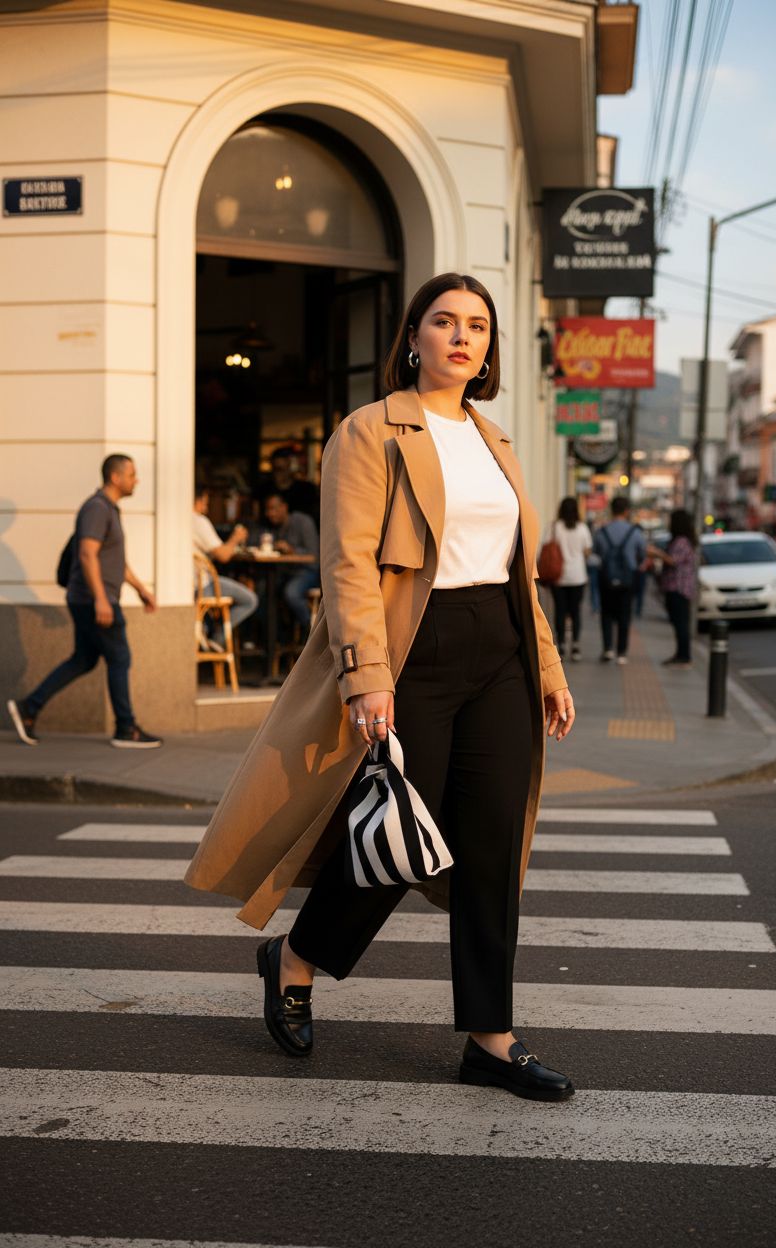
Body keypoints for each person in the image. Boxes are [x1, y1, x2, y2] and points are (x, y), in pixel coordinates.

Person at [185, 273, 577, 1103]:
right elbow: (348, 564)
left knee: (493, 849)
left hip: (500, 652)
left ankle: (491, 1040)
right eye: (445, 321)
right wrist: (367, 674)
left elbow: (518, 575)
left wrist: (547, 669)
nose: (462, 337)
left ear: (489, 348)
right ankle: (296, 957)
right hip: (414, 650)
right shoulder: (371, 430)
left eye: (477, 326)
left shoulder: (495, 439)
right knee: (397, 838)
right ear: (414, 338)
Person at [7, 455, 161, 748]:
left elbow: (114, 560)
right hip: (93, 600)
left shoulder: (108, 509)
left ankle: (29, 708)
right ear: (115, 477)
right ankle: (126, 728)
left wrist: (141, 589)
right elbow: (88, 554)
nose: (136, 480)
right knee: (120, 657)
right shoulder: (97, 508)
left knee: (83, 660)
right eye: (132, 474)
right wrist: (101, 599)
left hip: (92, 598)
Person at [192, 488, 259, 647]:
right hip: (201, 585)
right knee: (250, 600)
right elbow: (223, 555)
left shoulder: (177, 519)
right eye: (205, 503)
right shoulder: (198, 520)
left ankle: (205, 631)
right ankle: (216, 638)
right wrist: (235, 538)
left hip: (187, 585)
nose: (206, 509)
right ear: (197, 501)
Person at [252, 492, 320, 634]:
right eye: (267, 510)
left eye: (273, 509)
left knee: (291, 593)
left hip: (307, 571)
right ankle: (278, 637)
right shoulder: (272, 527)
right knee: (262, 592)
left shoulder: (303, 522)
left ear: (284, 507)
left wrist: (292, 550)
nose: (270, 514)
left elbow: (314, 555)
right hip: (285, 571)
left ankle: (310, 631)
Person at [593, 496, 647, 665]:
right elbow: (642, 553)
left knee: (606, 613)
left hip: (606, 577)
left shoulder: (602, 532)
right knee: (625, 614)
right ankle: (622, 652)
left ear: (612, 510)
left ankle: (608, 648)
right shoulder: (635, 532)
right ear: (626, 511)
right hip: (627, 578)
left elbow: (596, 552)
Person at [648, 509, 697, 668]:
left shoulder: (681, 541)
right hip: (675, 587)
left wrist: (657, 553)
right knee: (678, 622)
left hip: (678, 587)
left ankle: (684, 656)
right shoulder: (681, 540)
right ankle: (681, 654)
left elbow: (673, 560)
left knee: (681, 623)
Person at [549, 496, 592, 661]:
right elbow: (587, 552)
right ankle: (575, 646)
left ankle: (561, 644)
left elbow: (544, 549)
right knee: (575, 611)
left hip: (558, 576)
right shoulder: (582, 528)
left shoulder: (554, 527)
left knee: (559, 611)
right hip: (577, 577)